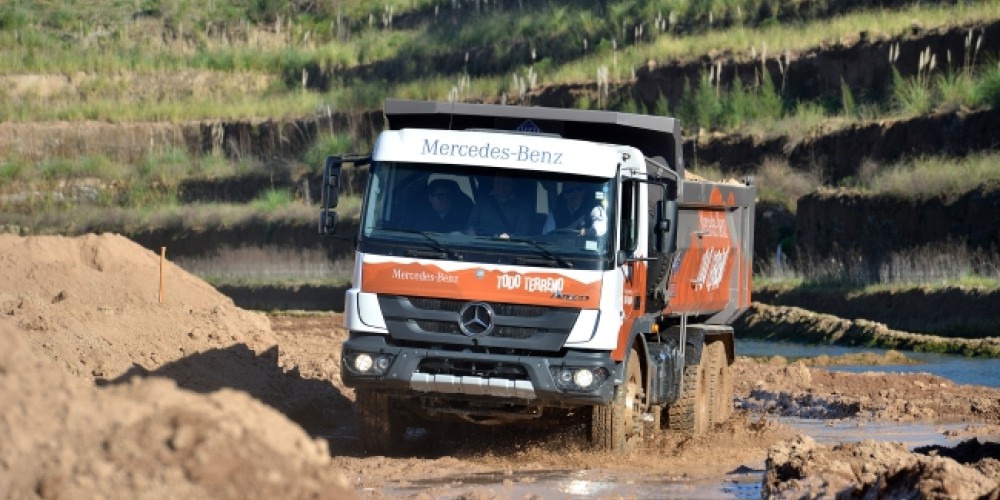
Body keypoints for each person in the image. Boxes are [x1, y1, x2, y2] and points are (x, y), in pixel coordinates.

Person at [465, 174, 534, 238]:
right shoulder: (482, 202)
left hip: (507, 246)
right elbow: (470, 225)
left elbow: (521, 233)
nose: (501, 187)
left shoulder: (523, 206)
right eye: (498, 183)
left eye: (505, 184)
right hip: (479, 243)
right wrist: (472, 233)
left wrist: (509, 238)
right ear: (493, 183)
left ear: (512, 184)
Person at [542, 181, 607, 237]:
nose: (574, 194)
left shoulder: (593, 209)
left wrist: (590, 232)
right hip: (559, 249)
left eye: (578, 189)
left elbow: (601, 225)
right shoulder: (555, 214)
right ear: (564, 195)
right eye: (569, 190)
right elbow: (547, 235)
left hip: (585, 249)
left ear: (583, 192)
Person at [402, 179, 469, 233]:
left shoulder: (462, 218)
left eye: (448, 196)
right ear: (431, 198)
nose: (445, 199)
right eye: (440, 196)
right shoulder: (418, 218)